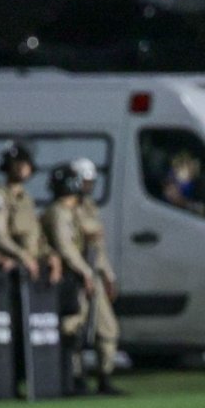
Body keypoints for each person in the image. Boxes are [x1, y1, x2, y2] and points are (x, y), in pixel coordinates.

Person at [41, 164, 94, 395]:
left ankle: (76, 377)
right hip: (66, 275)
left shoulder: (71, 210)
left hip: (73, 273)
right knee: (69, 327)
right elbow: (65, 247)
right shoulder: (59, 212)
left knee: (77, 327)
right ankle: (68, 378)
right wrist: (86, 272)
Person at [71, 157, 123, 395]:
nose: (88, 187)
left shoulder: (90, 208)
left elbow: (98, 249)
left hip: (93, 274)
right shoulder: (66, 210)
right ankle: (76, 377)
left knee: (108, 328)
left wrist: (108, 275)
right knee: (77, 327)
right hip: (76, 278)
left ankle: (105, 376)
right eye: (85, 181)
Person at [0, 143, 62, 284]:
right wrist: (23, 256)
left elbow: (35, 232)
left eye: (24, 163)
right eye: (17, 163)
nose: (22, 168)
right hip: (9, 267)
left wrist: (49, 254)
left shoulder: (25, 198)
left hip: (31, 267)